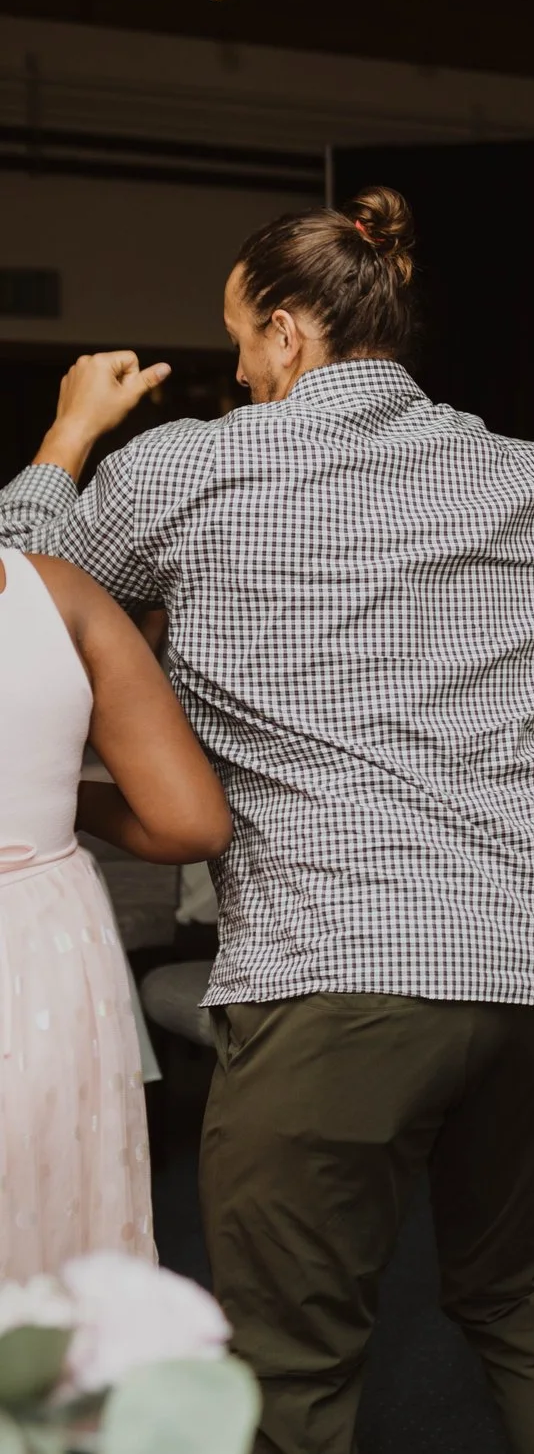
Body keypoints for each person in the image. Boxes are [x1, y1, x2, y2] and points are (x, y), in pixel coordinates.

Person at [0, 188, 534, 1454]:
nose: (234, 366)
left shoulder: (187, 466)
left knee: (289, 1370)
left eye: (239, 337)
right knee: (524, 1298)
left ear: (288, 332)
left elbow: (27, 618)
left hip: (333, 964)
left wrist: (65, 442)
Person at [1, 548, 229, 1279]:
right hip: (45, 944)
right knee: (54, 1214)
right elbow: (189, 822)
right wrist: (58, 798)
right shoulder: (56, 589)